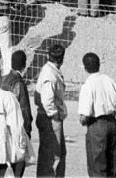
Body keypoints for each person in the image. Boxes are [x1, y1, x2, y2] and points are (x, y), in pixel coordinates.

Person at [79, 52, 116, 178]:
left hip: (96, 124)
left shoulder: (88, 84)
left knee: (97, 165)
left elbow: (85, 114)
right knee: (112, 164)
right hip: (112, 122)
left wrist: (83, 121)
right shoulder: (109, 80)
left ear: (85, 68)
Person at [34, 43, 67, 178]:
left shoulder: (48, 70)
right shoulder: (50, 74)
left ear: (48, 56)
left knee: (54, 154)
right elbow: (47, 100)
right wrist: (55, 115)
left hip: (48, 117)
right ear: (62, 59)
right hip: (50, 119)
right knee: (52, 157)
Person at [0, 50, 33, 178]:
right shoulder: (19, 83)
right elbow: (24, 110)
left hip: (3, 130)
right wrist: (27, 133)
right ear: (24, 65)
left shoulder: (3, 80)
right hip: (16, 132)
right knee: (17, 170)